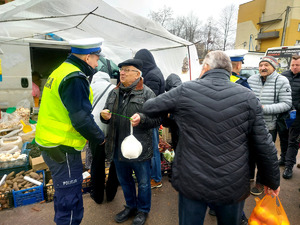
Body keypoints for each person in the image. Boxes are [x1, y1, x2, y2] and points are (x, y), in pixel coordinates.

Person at [142, 50, 280, 225]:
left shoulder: (185, 90)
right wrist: (272, 181)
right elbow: (264, 143)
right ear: (229, 70)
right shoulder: (248, 96)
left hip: (193, 180)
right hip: (233, 181)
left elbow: (149, 107)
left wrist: (176, 110)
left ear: (206, 67)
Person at [35, 38, 105, 225]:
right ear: (88, 57)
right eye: (97, 59)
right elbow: (81, 118)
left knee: (63, 194)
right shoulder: (75, 77)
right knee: (70, 199)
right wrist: (99, 138)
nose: (97, 63)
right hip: (62, 146)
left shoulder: (61, 70)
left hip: (50, 142)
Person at [100, 59, 160, 225]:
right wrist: (103, 116)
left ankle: (143, 210)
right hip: (118, 147)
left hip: (139, 149)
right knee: (125, 181)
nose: (122, 72)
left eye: (127, 69)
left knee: (143, 183)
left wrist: (142, 119)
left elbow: (156, 119)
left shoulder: (147, 94)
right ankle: (130, 206)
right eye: (121, 70)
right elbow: (106, 115)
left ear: (137, 74)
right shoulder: (114, 92)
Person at [248, 56, 292, 195]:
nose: (262, 68)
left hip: (269, 126)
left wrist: (263, 108)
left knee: (264, 156)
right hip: (249, 124)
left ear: (274, 67)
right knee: (247, 154)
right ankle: (247, 177)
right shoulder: (251, 80)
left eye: (266, 65)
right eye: (261, 65)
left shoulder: (282, 81)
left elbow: (286, 104)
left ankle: (260, 183)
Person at [134, 49, 165, 189]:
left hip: (151, 118)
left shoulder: (152, 75)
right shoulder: (154, 71)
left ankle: (156, 178)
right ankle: (154, 177)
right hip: (153, 117)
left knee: (152, 150)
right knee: (152, 149)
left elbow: (148, 101)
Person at [86, 71, 119, 204]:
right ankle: (111, 193)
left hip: (95, 130)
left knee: (97, 162)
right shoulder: (114, 89)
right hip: (112, 129)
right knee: (114, 162)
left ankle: (98, 195)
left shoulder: (89, 88)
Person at [280, 55, 300, 179]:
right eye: (292, 65)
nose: (294, 67)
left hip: (298, 114)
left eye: (297, 65)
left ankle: (289, 166)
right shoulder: (284, 75)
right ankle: (283, 158)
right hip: (284, 112)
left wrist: (295, 105)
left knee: (293, 140)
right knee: (283, 137)